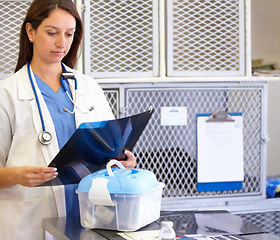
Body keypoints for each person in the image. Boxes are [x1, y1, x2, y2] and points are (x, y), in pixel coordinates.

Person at [0, 0, 136, 239]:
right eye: (52, 33)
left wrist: (121, 162)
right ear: (31, 32)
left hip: (89, 220)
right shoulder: (7, 94)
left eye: (69, 34)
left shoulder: (88, 87)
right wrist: (17, 176)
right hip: (29, 224)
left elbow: (109, 148)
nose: (61, 43)